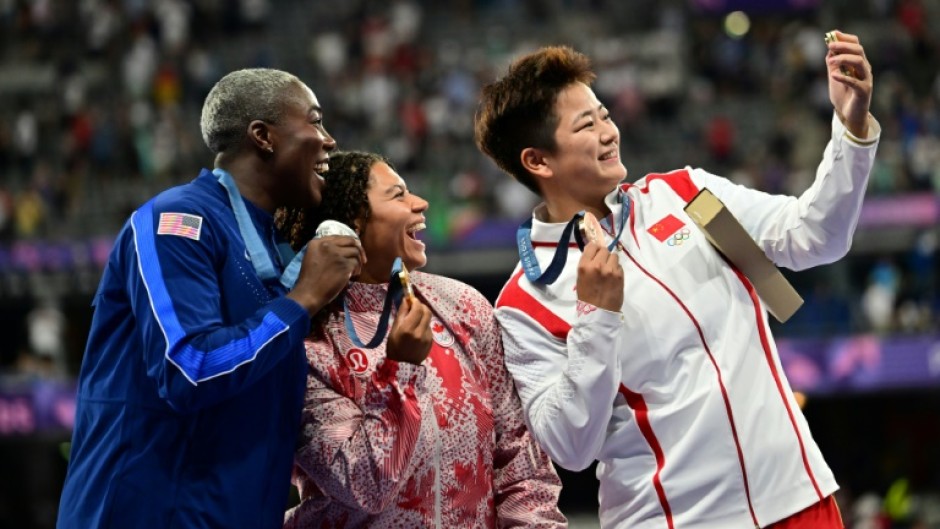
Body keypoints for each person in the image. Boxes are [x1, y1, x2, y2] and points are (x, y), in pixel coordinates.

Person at [473, 36, 878, 529]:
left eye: (604, 115)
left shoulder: (685, 195)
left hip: (799, 498)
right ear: (538, 161)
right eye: (586, 125)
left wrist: (851, 130)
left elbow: (816, 235)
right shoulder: (524, 301)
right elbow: (570, 446)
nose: (608, 132)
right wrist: (596, 316)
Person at [57, 68, 364, 529]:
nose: (329, 139)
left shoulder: (272, 248)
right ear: (263, 136)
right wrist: (300, 300)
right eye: (315, 121)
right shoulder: (176, 220)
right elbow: (189, 371)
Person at [276, 150, 567, 528]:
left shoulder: (463, 306)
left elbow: (519, 456)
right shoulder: (310, 340)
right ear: (349, 222)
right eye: (398, 195)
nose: (420, 202)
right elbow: (366, 485)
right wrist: (400, 371)